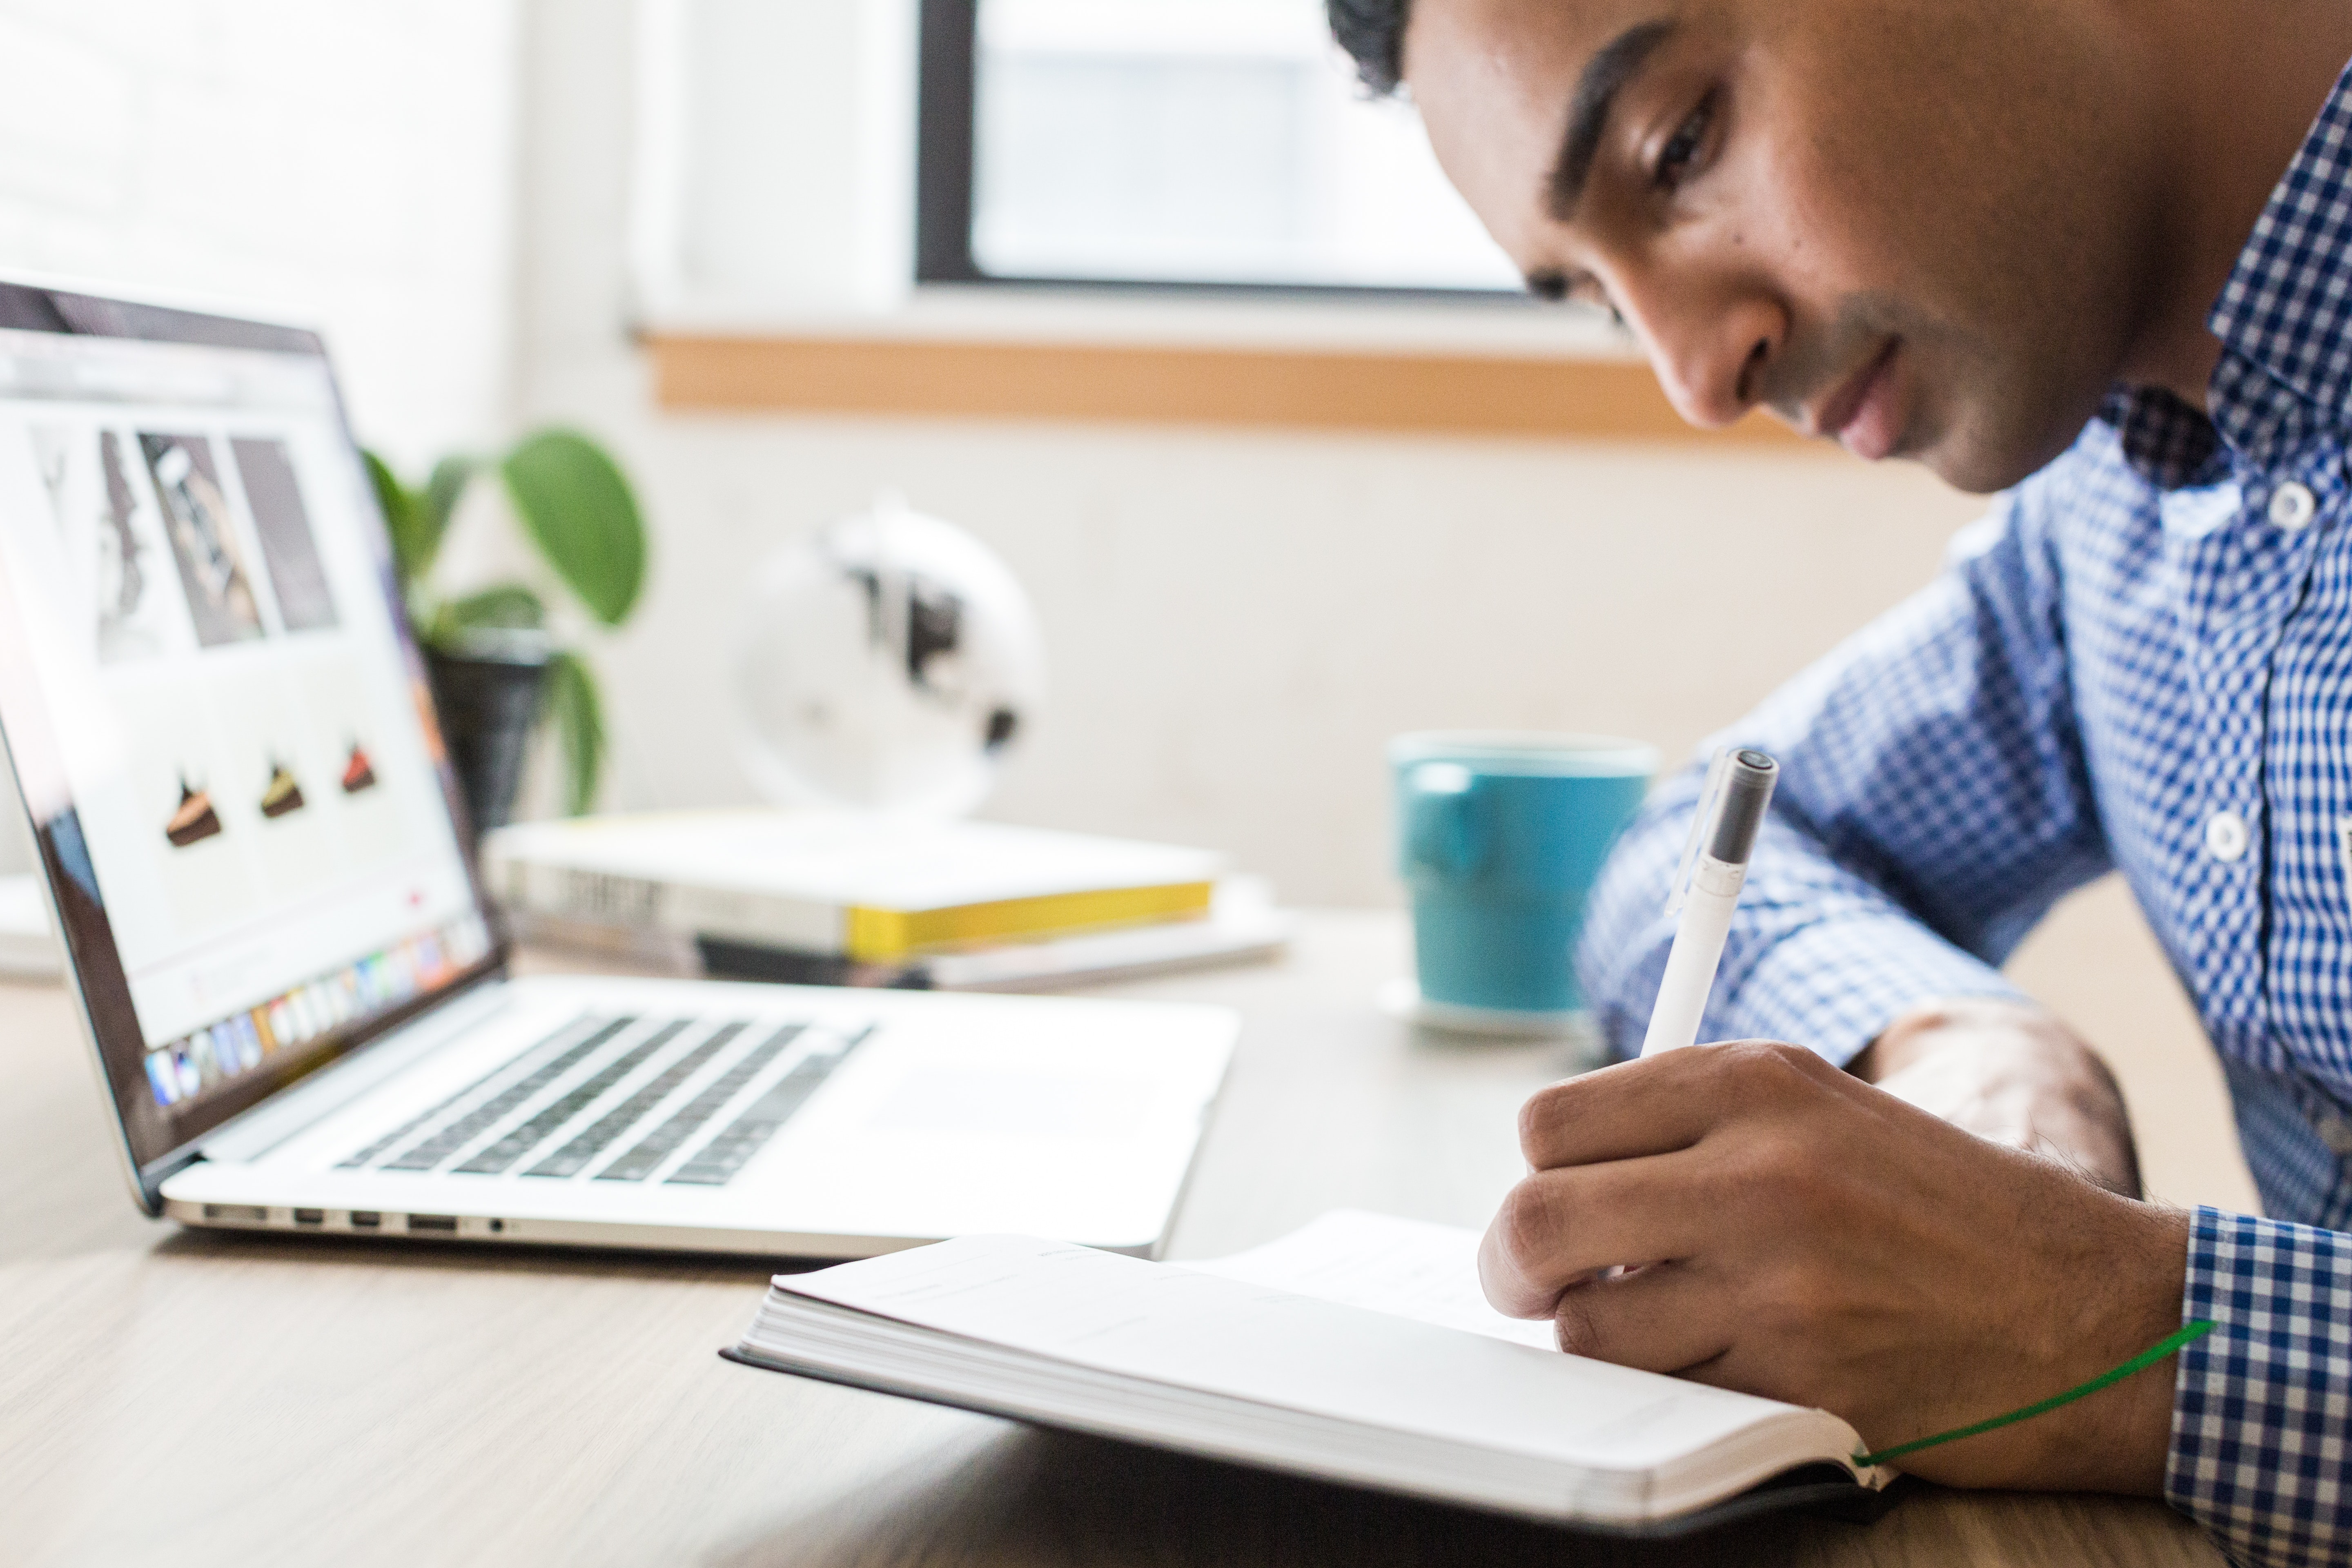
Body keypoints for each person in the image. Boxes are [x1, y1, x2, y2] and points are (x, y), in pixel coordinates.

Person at [1324, 0, 2352, 1561]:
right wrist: (1975, 1046)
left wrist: (2103, 1326)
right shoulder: (2116, 517)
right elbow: (1701, 844)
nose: (1694, 375)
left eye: (1681, 147)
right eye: (1602, 300)